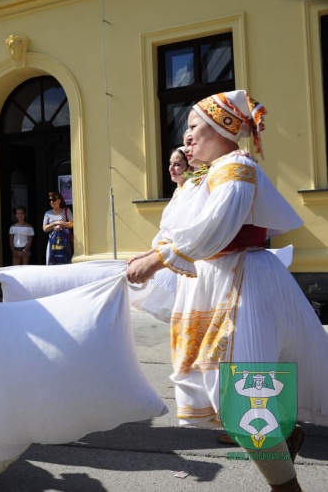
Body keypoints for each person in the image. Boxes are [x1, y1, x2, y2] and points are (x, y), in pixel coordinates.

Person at [127, 90, 328, 492]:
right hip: (219, 281)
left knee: (242, 398)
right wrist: (151, 253)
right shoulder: (203, 176)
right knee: (245, 395)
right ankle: (285, 445)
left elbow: (215, 227)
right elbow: (176, 230)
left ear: (221, 128)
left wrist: (158, 259)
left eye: (193, 127)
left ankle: (286, 486)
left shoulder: (236, 167)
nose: (187, 137)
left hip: (244, 285)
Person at [42, 191, 74, 265]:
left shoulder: (66, 211)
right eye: (50, 200)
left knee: (66, 262)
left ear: (59, 200)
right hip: (53, 242)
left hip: (65, 241)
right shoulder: (48, 213)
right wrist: (54, 224)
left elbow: (72, 224)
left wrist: (62, 224)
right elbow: (45, 229)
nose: (51, 202)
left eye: (53, 199)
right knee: (52, 261)